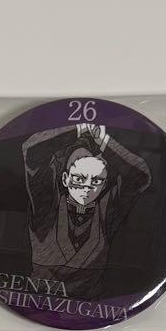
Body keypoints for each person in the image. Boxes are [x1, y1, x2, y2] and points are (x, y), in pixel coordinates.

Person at [21, 122, 150, 299]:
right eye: (79, 178)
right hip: (38, 303)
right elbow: (32, 151)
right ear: (65, 179)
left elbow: (140, 176)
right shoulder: (47, 206)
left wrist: (103, 141)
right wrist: (78, 129)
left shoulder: (107, 212)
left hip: (88, 308)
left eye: (96, 181)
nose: (87, 187)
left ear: (104, 184)